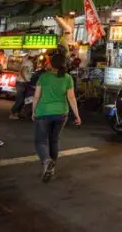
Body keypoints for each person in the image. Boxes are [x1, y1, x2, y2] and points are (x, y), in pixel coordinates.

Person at [32, 54, 81, 183]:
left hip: (43, 112)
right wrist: (77, 115)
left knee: (40, 142)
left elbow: (36, 96)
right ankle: (51, 168)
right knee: (54, 140)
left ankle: (47, 161)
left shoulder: (43, 77)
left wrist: (33, 111)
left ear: (51, 64)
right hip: (61, 113)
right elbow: (71, 98)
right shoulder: (68, 78)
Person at [10, 53, 36, 119]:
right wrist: (25, 80)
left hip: (23, 82)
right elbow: (22, 71)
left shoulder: (28, 62)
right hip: (21, 82)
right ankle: (13, 113)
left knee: (22, 99)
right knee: (20, 100)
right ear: (33, 57)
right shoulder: (28, 63)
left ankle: (17, 113)